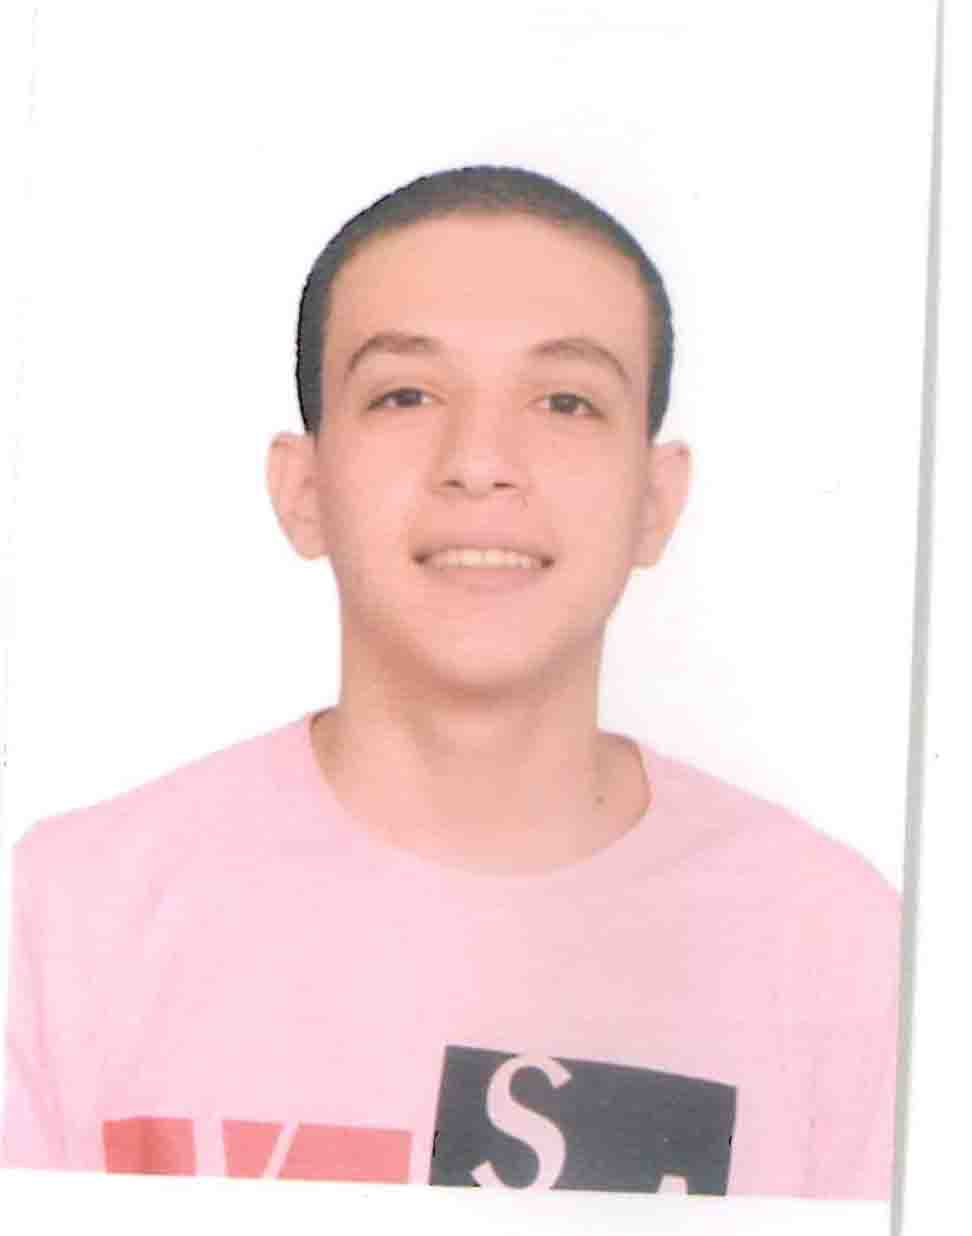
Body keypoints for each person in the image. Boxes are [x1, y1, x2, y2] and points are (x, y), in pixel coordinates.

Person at [1, 165, 899, 1197]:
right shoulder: (63, 918)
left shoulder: (839, 946)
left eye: (565, 401)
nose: (479, 461)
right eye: (407, 395)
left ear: (656, 501)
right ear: (303, 488)